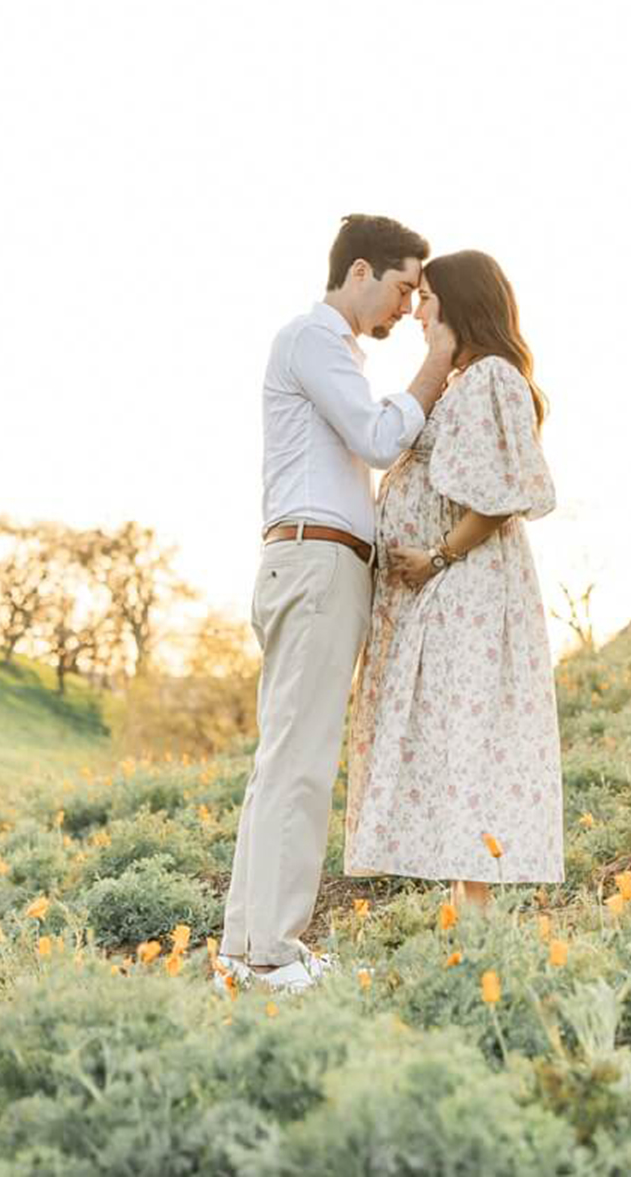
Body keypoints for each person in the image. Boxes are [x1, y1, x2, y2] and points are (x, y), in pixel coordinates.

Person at [216, 214, 456, 993]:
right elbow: (380, 438)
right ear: (360, 271)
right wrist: (440, 362)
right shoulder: (314, 339)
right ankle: (272, 954)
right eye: (400, 288)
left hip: (313, 563)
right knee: (302, 764)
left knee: (284, 760)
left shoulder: (329, 350)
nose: (403, 308)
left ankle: (244, 950)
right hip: (315, 562)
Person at [344, 250, 565, 911]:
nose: (417, 313)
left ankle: (477, 922)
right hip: (441, 595)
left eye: (428, 300)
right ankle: (466, 920)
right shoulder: (460, 380)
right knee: (447, 749)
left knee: (470, 747)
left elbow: (502, 492)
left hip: (466, 590)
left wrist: (439, 556)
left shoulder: (491, 376)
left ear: (460, 304)